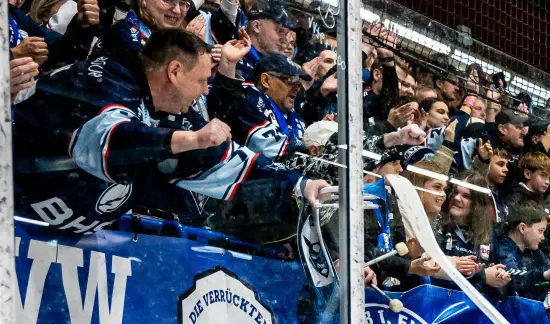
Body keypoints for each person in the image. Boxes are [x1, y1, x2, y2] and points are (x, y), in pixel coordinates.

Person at [13, 28, 321, 236]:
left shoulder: (171, 115)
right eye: (201, 81)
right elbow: (108, 145)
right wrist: (190, 140)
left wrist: (299, 184)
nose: (203, 92)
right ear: (174, 72)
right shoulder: (102, 81)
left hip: (53, 244)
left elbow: (223, 161)